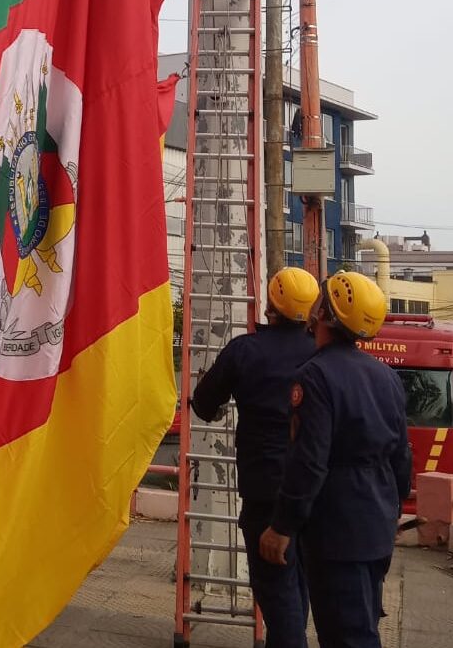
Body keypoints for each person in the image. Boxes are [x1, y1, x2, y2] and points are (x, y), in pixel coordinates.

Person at [260, 270, 411, 648]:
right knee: (362, 626)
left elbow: (309, 461)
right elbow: (401, 455)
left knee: (348, 637)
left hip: (337, 529)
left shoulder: (315, 377)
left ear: (325, 314)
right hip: (375, 525)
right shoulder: (386, 377)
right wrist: (393, 511)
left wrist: (282, 526)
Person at [191, 266, 320, 648]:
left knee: (279, 600)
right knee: (300, 588)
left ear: (270, 306)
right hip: (314, 494)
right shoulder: (321, 354)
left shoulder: (245, 352)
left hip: (265, 495)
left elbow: (203, 403)